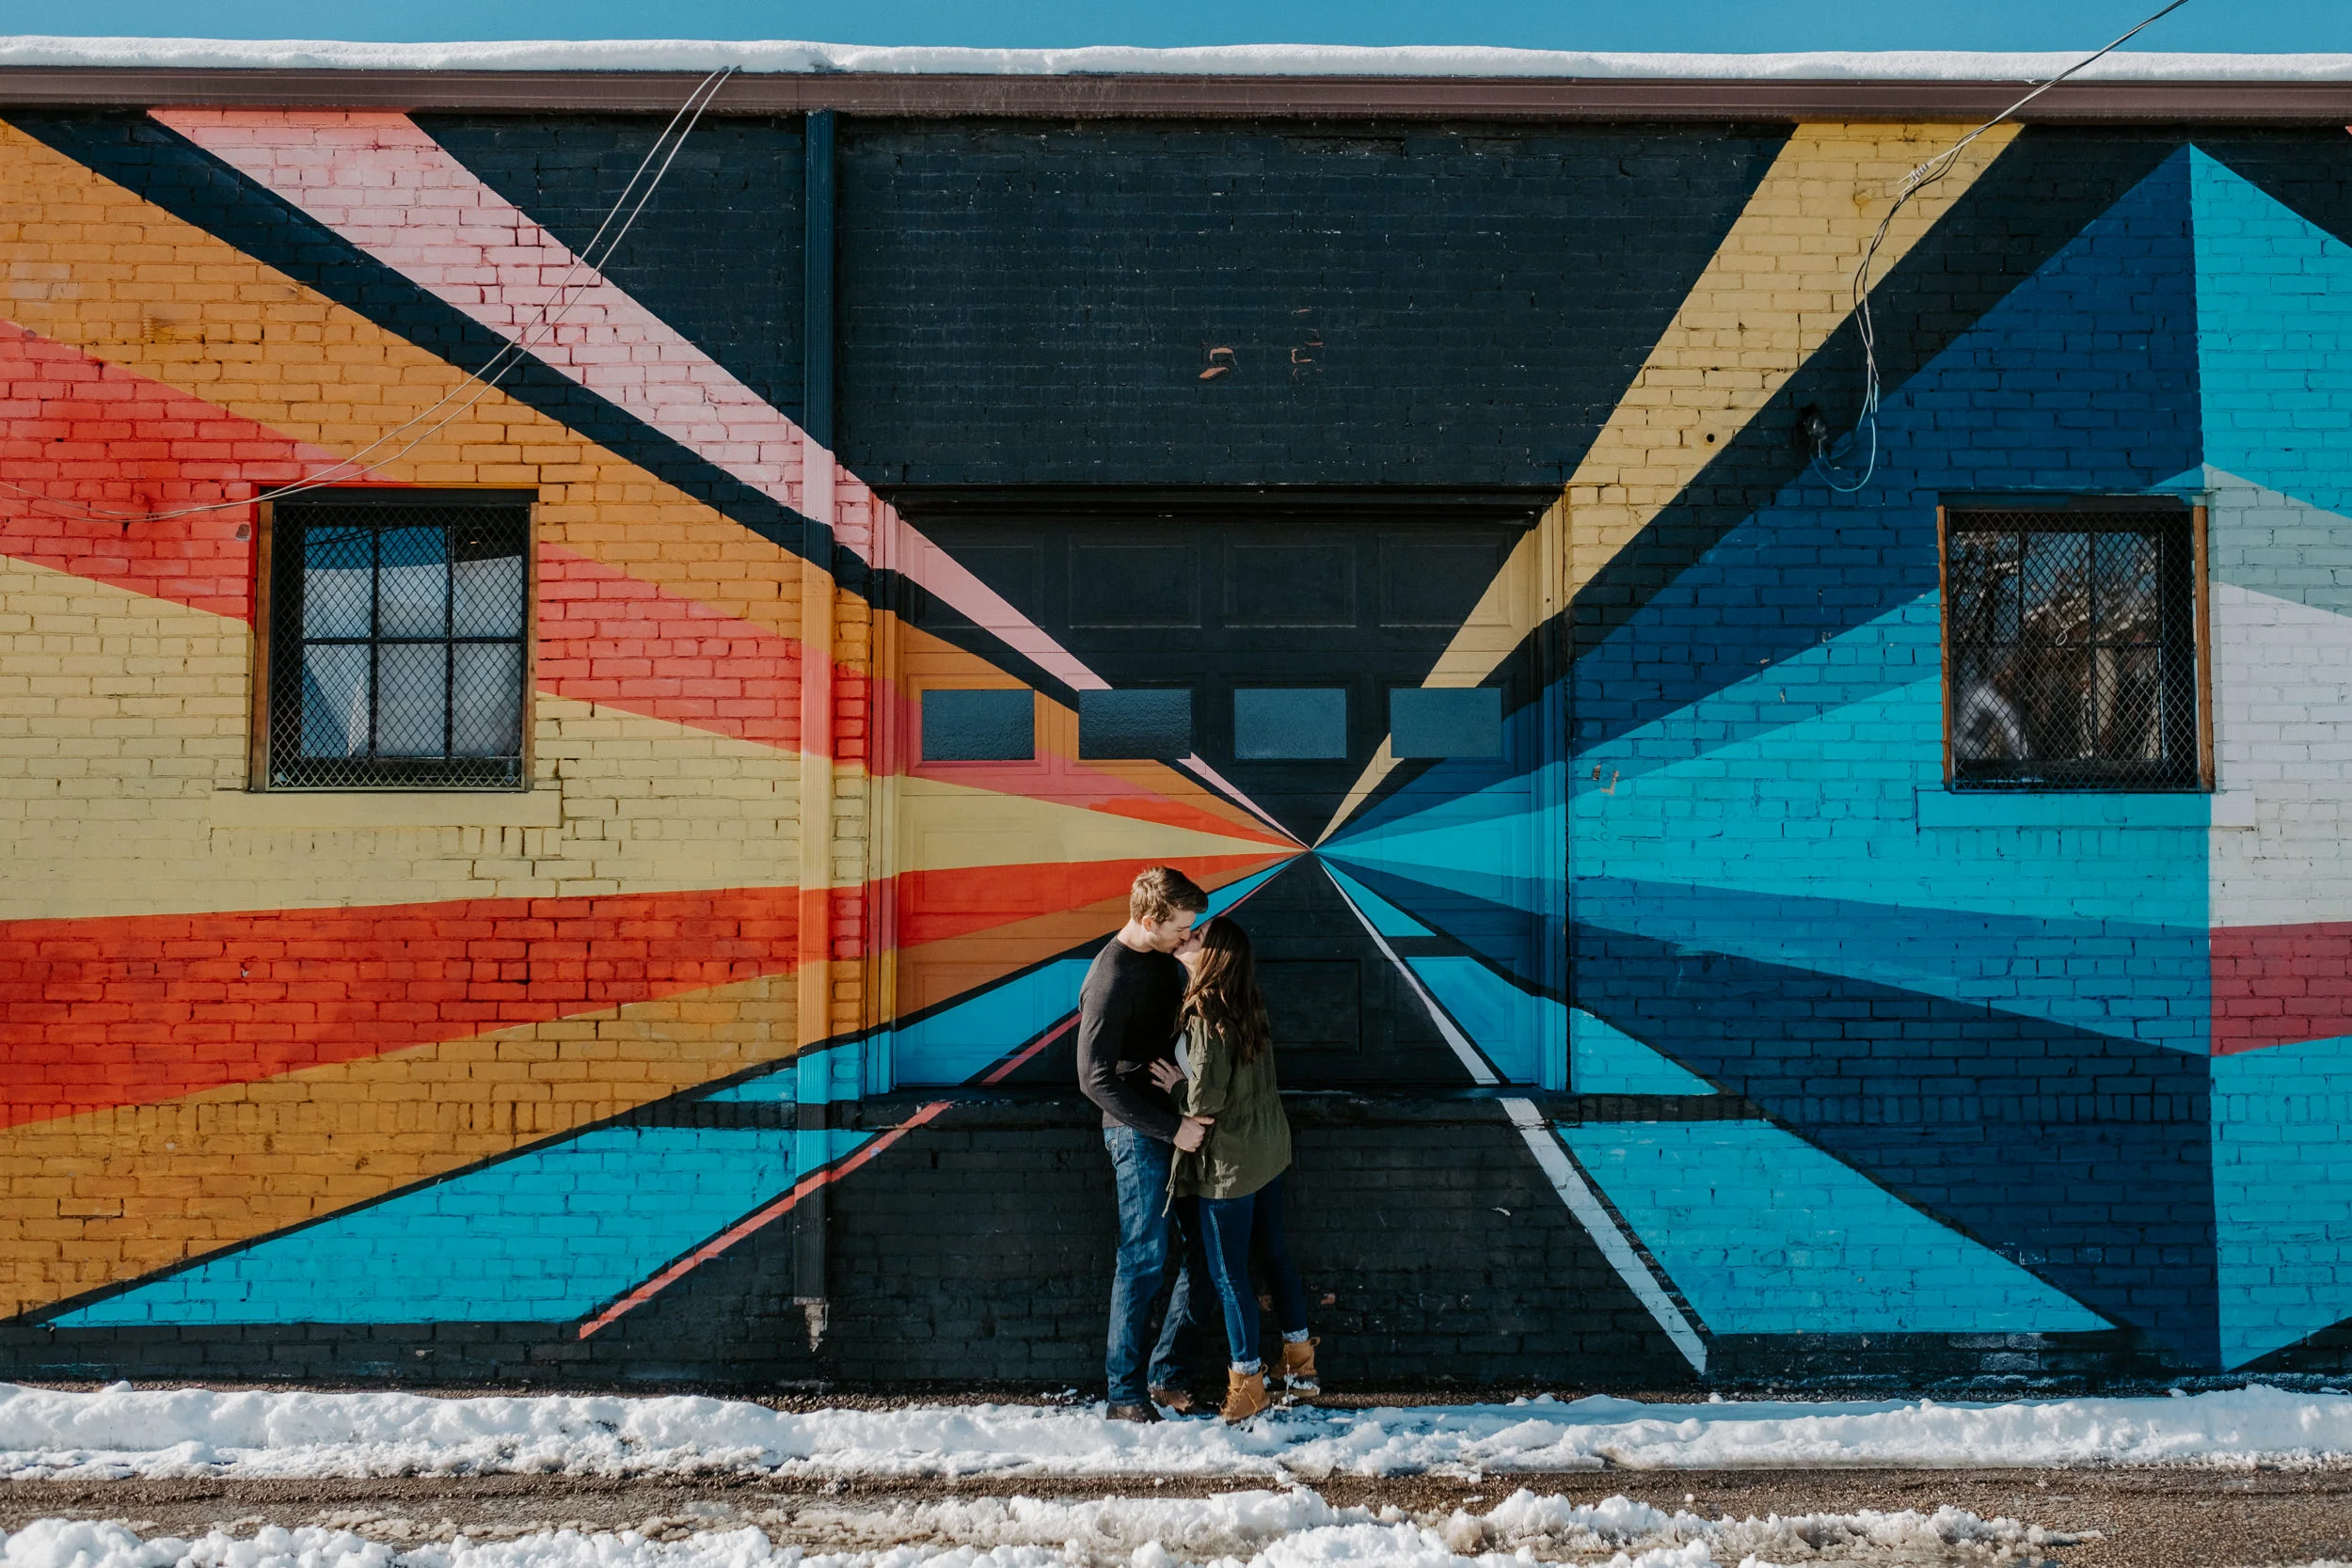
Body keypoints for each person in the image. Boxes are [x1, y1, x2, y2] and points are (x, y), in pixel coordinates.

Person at [1077, 864, 1216, 1422]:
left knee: (1205, 1256)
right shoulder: (1111, 978)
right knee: (1143, 1259)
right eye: (1182, 925)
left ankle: (1166, 1374)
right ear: (1150, 919)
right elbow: (1093, 1079)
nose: (1189, 934)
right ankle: (1124, 1393)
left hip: (1177, 1124)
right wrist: (1170, 1128)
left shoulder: (1165, 961)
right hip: (1138, 1136)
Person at [1171, 915, 1318, 1423]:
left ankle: (1248, 1382)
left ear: (1212, 957)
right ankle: (1300, 1363)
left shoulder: (1204, 1015)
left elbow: (1204, 1100)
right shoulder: (1248, 1003)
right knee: (1273, 1253)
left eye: (1197, 936)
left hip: (1230, 1162)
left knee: (1228, 1274)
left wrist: (1174, 1084)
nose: (1187, 937)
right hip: (1267, 1149)